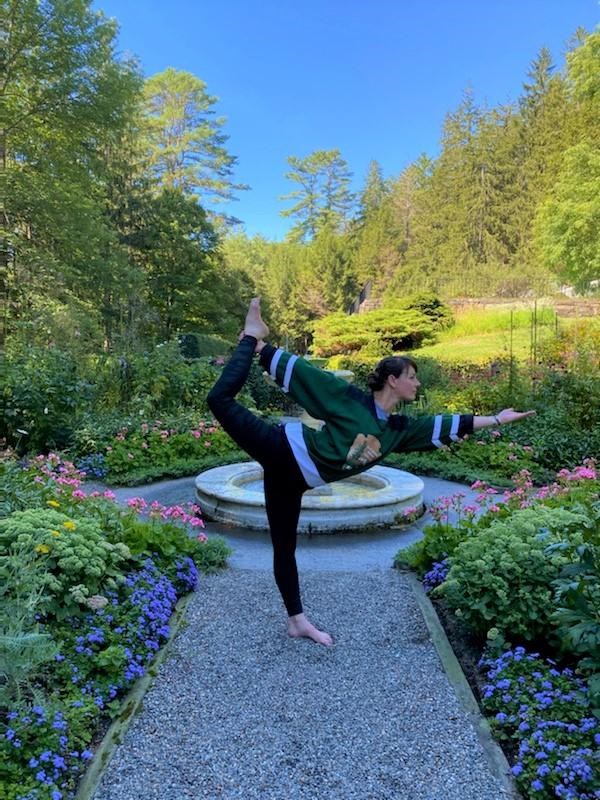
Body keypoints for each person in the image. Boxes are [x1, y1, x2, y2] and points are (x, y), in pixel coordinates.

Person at [207, 298, 535, 646]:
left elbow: (445, 424)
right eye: (412, 377)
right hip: (281, 449)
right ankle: (251, 336)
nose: (417, 384)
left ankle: (297, 621)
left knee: (284, 549)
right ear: (392, 380)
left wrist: (497, 419)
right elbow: (308, 377)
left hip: (293, 482)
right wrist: (260, 348)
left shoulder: (399, 431)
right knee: (219, 400)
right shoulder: (349, 400)